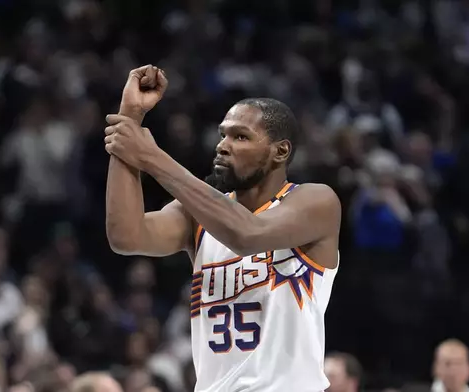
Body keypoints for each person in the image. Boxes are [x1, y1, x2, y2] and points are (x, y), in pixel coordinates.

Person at [104, 65, 341, 392]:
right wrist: (129, 120)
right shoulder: (197, 214)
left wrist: (151, 157)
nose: (223, 145)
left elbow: (248, 234)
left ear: (280, 151)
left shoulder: (316, 201)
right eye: (223, 134)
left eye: (240, 136)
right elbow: (125, 236)